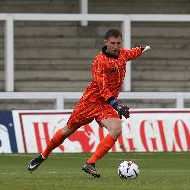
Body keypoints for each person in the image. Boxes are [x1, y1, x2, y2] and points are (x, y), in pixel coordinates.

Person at [27, 29, 150, 178]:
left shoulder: (123, 54)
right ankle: (43, 155)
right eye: (113, 43)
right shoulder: (99, 61)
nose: (116, 46)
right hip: (90, 102)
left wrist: (143, 49)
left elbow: (132, 53)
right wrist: (116, 106)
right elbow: (103, 88)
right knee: (67, 131)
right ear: (106, 42)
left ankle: (90, 163)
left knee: (116, 129)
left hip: (105, 104)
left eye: (118, 43)